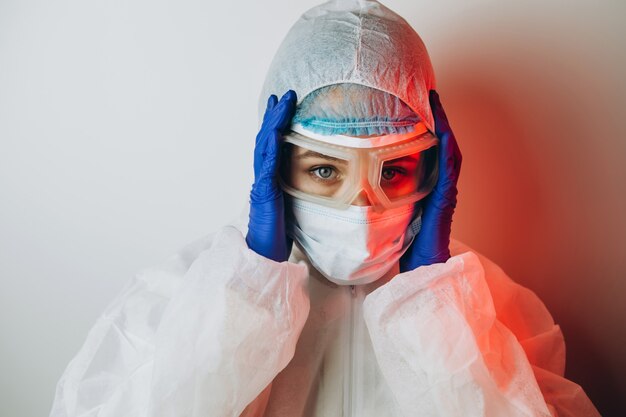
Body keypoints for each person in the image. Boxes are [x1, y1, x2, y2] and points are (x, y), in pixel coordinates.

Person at [49, 1, 600, 416]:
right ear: (274, 164)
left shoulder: (490, 311)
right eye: (324, 169)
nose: (360, 205)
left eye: (393, 171)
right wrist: (248, 292)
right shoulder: (182, 296)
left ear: (434, 174)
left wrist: (433, 309)